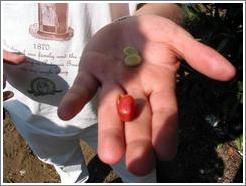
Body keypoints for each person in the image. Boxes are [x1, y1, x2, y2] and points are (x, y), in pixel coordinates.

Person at [2, 2, 235, 183]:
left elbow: (165, 4)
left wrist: (151, 18)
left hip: (104, 109)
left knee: (135, 164)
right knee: (62, 161)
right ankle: (74, 178)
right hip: (30, 112)